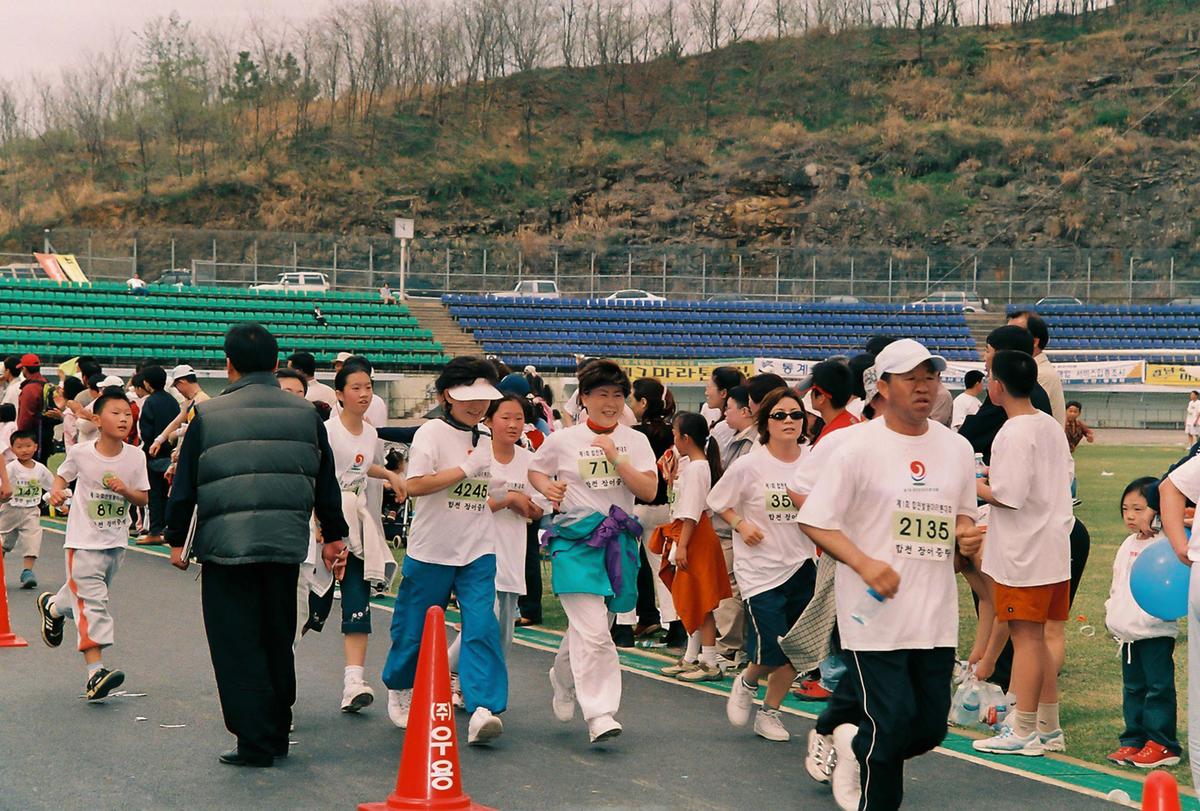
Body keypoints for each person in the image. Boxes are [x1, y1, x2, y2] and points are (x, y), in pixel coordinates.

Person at [797, 339, 980, 811]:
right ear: (882, 386)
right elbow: (815, 519)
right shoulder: (855, 447)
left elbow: (961, 516)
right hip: (871, 617)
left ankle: (857, 746)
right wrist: (864, 563)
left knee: (930, 728)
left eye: (931, 377)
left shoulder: (956, 448)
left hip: (934, 615)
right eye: (911, 378)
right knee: (892, 724)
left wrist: (966, 536)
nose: (924, 387)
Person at [163, 323, 349, 768]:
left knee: (235, 643)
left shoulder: (208, 416)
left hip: (226, 548)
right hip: (285, 545)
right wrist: (334, 533)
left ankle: (254, 740)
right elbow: (326, 483)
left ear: (228, 365)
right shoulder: (306, 415)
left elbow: (185, 486)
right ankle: (277, 728)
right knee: (276, 637)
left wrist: (174, 540)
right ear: (275, 361)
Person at [382, 356, 509, 747]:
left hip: (477, 550)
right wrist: (465, 471)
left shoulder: (488, 439)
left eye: (484, 398)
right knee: (415, 626)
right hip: (432, 549)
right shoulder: (431, 434)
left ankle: (484, 706)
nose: (477, 406)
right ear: (445, 397)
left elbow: (491, 490)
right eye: (467, 397)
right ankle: (401, 686)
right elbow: (415, 485)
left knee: (482, 625)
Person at [529, 359, 658, 744]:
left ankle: (562, 676)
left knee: (591, 624)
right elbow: (537, 469)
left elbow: (649, 492)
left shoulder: (637, 441)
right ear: (584, 398)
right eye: (602, 394)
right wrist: (547, 489)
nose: (611, 402)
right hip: (573, 542)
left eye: (618, 395)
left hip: (616, 543)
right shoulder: (564, 439)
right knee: (597, 632)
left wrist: (616, 457)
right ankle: (600, 713)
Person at [973, 350, 1074, 757]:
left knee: (1027, 638)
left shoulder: (1013, 432)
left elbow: (1009, 497)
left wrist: (972, 483)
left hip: (1025, 552)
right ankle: (1048, 726)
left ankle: (1023, 727)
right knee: (1040, 637)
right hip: (1050, 546)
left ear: (997, 386)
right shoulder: (1047, 424)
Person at [708, 388, 817, 743]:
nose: (789, 421)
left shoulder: (814, 460)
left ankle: (770, 713)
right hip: (760, 570)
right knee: (771, 646)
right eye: (780, 415)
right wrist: (741, 525)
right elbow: (718, 501)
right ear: (765, 422)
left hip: (802, 564)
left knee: (797, 647)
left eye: (796, 415)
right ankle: (748, 681)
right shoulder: (749, 464)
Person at [39, 388, 150, 702]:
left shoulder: (136, 456)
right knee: (92, 604)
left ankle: (53, 607)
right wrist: (58, 494)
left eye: (127, 414)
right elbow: (62, 478)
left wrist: (124, 490)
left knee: (81, 596)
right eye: (115, 413)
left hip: (116, 542)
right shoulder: (81, 453)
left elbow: (143, 496)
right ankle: (95, 672)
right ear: (97, 420)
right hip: (83, 541)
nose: (123, 418)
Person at [447, 394, 547, 698]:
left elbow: (539, 509)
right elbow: (467, 505)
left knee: (503, 633)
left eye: (519, 418)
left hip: (512, 554)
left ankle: (462, 679)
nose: (513, 424)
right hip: (477, 554)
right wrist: (509, 500)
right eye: (505, 417)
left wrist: (525, 506)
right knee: (481, 624)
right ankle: (461, 680)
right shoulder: (476, 456)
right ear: (488, 421)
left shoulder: (530, 461)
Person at [325, 360, 405, 713]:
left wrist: (389, 474)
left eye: (368, 387)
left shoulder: (371, 434)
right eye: (356, 388)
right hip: (324, 530)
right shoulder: (326, 431)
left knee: (357, 605)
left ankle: (353, 682)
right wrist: (319, 522)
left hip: (357, 528)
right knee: (308, 609)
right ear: (339, 394)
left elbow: (362, 467)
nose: (364, 394)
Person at [1103, 477, 1181, 768]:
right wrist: (1114, 612)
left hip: (1155, 632)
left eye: (1138, 508)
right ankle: (1133, 740)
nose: (1131, 516)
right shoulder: (1127, 544)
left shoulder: (1166, 544)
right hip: (1129, 634)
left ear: (1156, 510)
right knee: (1133, 688)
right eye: (1126, 509)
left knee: (1158, 688)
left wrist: (1151, 616)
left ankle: (1162, 743)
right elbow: (1117, 583)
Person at [652, 412, 730, 682]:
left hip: (693, 536)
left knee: (701, 600)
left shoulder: (697, 468)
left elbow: (692, 512)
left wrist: (682, 546)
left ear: (686, 438)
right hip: (689, 534)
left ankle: (709, 660)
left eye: (675, 435)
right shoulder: (691, 465)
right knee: (690, 597)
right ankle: (691, 656)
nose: (673, 441)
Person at [613, 378, 681, 649]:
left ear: (643, 403)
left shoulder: (635, 435)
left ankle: (623, 626)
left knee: (627, 566)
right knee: (662, 569)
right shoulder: (673, 433)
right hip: (667, 507)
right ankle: (674, 625)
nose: (630, 404)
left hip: (637, 505)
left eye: (633, 399)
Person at [711, 385, 757, 666]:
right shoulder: (736, 439)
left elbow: (731, 492)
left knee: (731, 587)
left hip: (738, 528)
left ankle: (729, 647)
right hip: (735, 526)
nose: (725, 413)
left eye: (729, 408)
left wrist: (738, 522)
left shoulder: (751, 445)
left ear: (744, 410)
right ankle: (736, 646)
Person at [1, 430, 54, 589]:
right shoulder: (11, 468)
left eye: (28, 446)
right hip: (10, 510)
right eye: (19, 447)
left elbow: (52, 487)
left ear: (36, 447)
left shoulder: (40, 469)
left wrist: (61, 503)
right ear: (12, 449)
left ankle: (27, 572)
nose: (24, 450)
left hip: (31, 510)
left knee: (33, 539)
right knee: (3, 542)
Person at [136, 365, 180, 546]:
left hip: (153, 455)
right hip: (170, 454)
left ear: (147, 383)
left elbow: (145, 431)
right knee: (170, 494)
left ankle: (155, 531)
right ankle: (169, 529)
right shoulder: (172, 401)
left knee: (155, 495)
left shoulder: (150, 402)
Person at [1008, 310, 1065, 426]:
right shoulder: (1028, 370)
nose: (1005, 339)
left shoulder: (1040, 375)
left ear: (1034, 341)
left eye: (1014, 334)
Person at [146, 365, 211, 458]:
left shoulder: (203, 400)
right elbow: (177, 422)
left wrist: (177, 433)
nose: (178, 391)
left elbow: (200, 429)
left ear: (181, 382)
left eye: (176, 386)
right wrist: (159, 440)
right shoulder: (190, 400)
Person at [16, 353, 55, 464]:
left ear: (25, 369)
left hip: (34, 436)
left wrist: (20, 437)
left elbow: (25, 417)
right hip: (46, 433)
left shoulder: (30, 388)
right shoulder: (46, 382)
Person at [705, 366, 748, 449]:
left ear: (723, 393)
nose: (706, 393)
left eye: (708, 387)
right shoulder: (732, 422)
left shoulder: (726, 426)